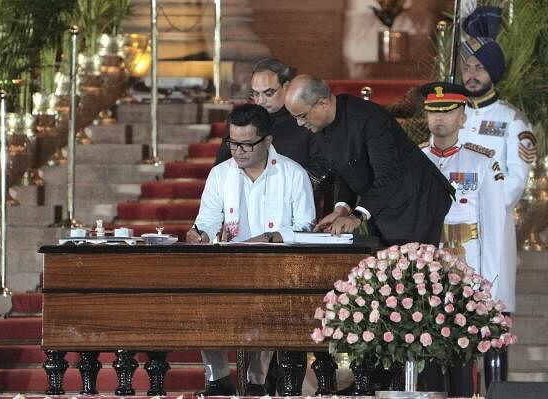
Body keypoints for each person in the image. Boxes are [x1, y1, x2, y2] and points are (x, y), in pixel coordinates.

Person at [186, 103, 316, 396]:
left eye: (247, 145)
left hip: (278, 270)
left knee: (267, 298)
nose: (238, 151)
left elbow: (307, 227)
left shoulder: (293, 174)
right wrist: (200, 235)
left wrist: (273, 237)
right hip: (228, 268)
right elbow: (207, 220)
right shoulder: (220, 175)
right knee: (203, 297)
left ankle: (256, 382)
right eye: (233, 143)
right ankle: (217, 379)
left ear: (267, 141)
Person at [459, 5, 537, 388]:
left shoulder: (512, 121)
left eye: (480, 68)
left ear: (494, 71)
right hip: (451, 231)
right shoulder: (451, 117)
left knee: (492, 322)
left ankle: (495, 393)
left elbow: (515, 182)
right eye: (467, 67)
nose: (472, 75)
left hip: (491, 231)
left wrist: (476, 206)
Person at [284, 74, 455, 246]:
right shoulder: (320, 124)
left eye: (302, 116)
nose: (299, 124)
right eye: (295, 117)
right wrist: (341, 209)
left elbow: (388, 175)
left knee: (409, 268)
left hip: (415, 201)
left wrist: (357, 216)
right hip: (381, 203)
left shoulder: (368, 118)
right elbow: (345, 168)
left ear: (323, 103)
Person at [420, 82, 507, 396]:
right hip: (425, 265)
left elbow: (494, 227)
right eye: (433, 111)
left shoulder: (482, 161)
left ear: (462, 117)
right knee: (425, 348)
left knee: (462, 354)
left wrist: (489, 285)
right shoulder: (416, 160)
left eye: (448, 111)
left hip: (467, 263)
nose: (439, 118)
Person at [214, 58, 329, 189]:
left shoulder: (305, 119)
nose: (260, 100)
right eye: (255, 94)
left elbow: (321, 166)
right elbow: (222, 165)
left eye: (268, 93)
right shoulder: (242, 120)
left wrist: (288, 188)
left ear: (286, 86)